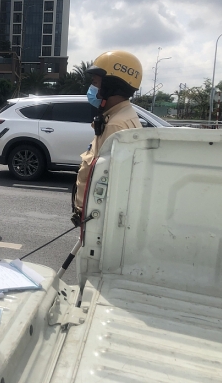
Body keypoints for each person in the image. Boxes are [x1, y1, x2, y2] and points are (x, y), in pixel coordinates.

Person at [72, 50, 143, 285]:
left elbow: (105, 180)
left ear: (113, 85)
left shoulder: (116, 124)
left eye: (96, 83)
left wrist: (88, 217)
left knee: (91, 278)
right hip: (95, 218)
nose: (93, 88)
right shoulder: (116, 117)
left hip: (98, 222)